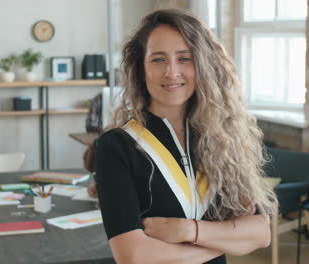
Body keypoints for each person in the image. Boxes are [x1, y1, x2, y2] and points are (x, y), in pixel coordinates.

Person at [94, 8, 278, 264]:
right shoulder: (116, 146)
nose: (171, 72)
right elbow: (133, 256)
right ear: (141, 68)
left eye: (185, 58)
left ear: (203, 65)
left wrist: (190, 230)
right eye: (158, 59)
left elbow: (260, 233)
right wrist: (223, 243)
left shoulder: (222, 139)